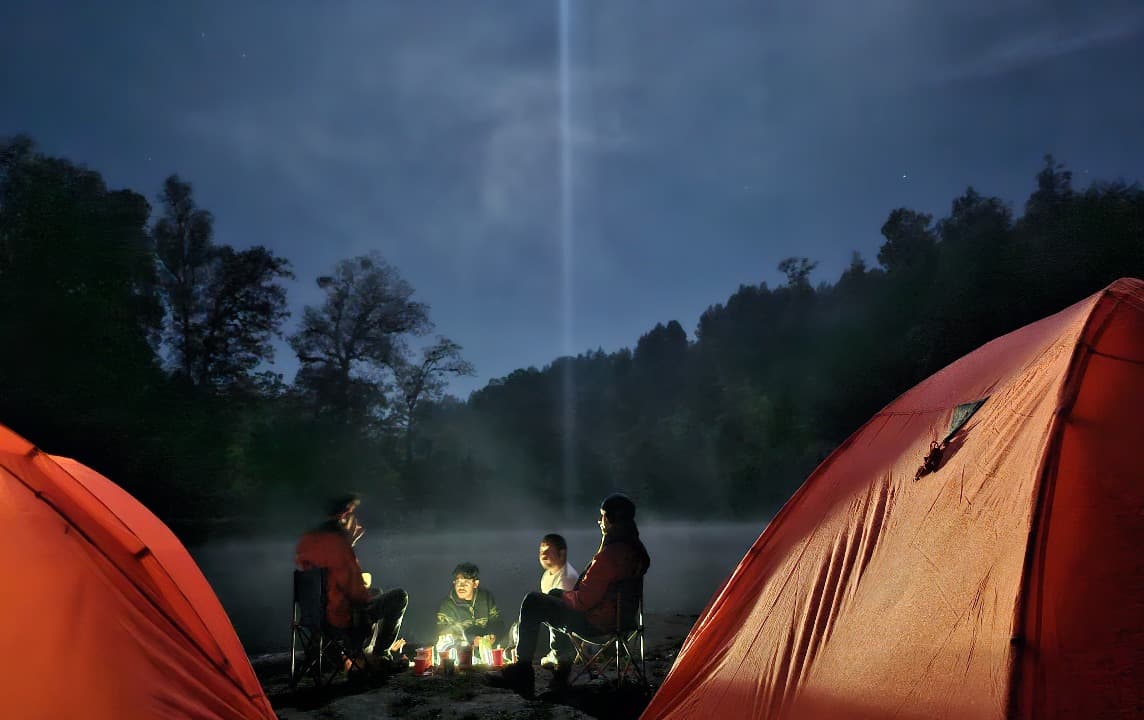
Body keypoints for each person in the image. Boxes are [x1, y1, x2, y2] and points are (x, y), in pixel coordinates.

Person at [489, 493, 650, 698]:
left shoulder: (611, 555)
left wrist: (564, 597)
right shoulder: (635, 550)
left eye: (602, 517)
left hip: (598, 623)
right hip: (623, 620)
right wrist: (562, 595)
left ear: (609, 520)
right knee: (555, 596)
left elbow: (583, 601)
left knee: (533, 601)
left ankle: (523, 672)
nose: (599, 521)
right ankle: (561, 669)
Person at [295, 494, 409, 670]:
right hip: (342, 620)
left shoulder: (308, 541)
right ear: (342, 517)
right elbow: (358, 595)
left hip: (313, 619)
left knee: (377, 593)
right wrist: (348, 549)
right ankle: (380, 654)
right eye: (350, 515)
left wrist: (349, 544)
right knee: (399, 597)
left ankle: (349, 654)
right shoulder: (339, 546)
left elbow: (328, 567)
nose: (354, 521)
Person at [435, 562, 506, 650]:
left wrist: (493, 635)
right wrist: (471, 639)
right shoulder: (447, 606)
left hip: (487, 651)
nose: (461, 586)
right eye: (458, 582)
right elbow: (443, 634)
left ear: (475, 584)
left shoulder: (486, 598)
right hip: (461, 654)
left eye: (466, 582)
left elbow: (497, 621)